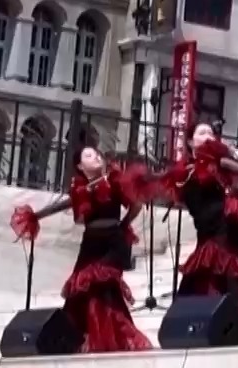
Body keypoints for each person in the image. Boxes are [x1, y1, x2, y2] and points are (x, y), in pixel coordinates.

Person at [8, 135, 153, 353]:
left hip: (111, 241)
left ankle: (108, 336)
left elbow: (137, 203)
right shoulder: (81, 189)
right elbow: (74, 214)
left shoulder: (113, 181)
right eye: (88, 155)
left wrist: (124, 224)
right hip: (91, 242)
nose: (95, 156)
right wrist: (38, 215)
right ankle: (72, 337)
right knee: (80, 291)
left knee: (103, 289)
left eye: (96, 154)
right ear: (79, 165)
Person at [161, 123, 238, 344]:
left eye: (210, 132)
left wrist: (232, 193)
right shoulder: (184, 172)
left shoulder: (217, 162)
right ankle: (200, 331)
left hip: (225, 228)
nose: (208, 136)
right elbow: (183, 198)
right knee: (202, 280)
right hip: (206, 230)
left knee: (221, 279)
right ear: (190, 141)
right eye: (202, 132)